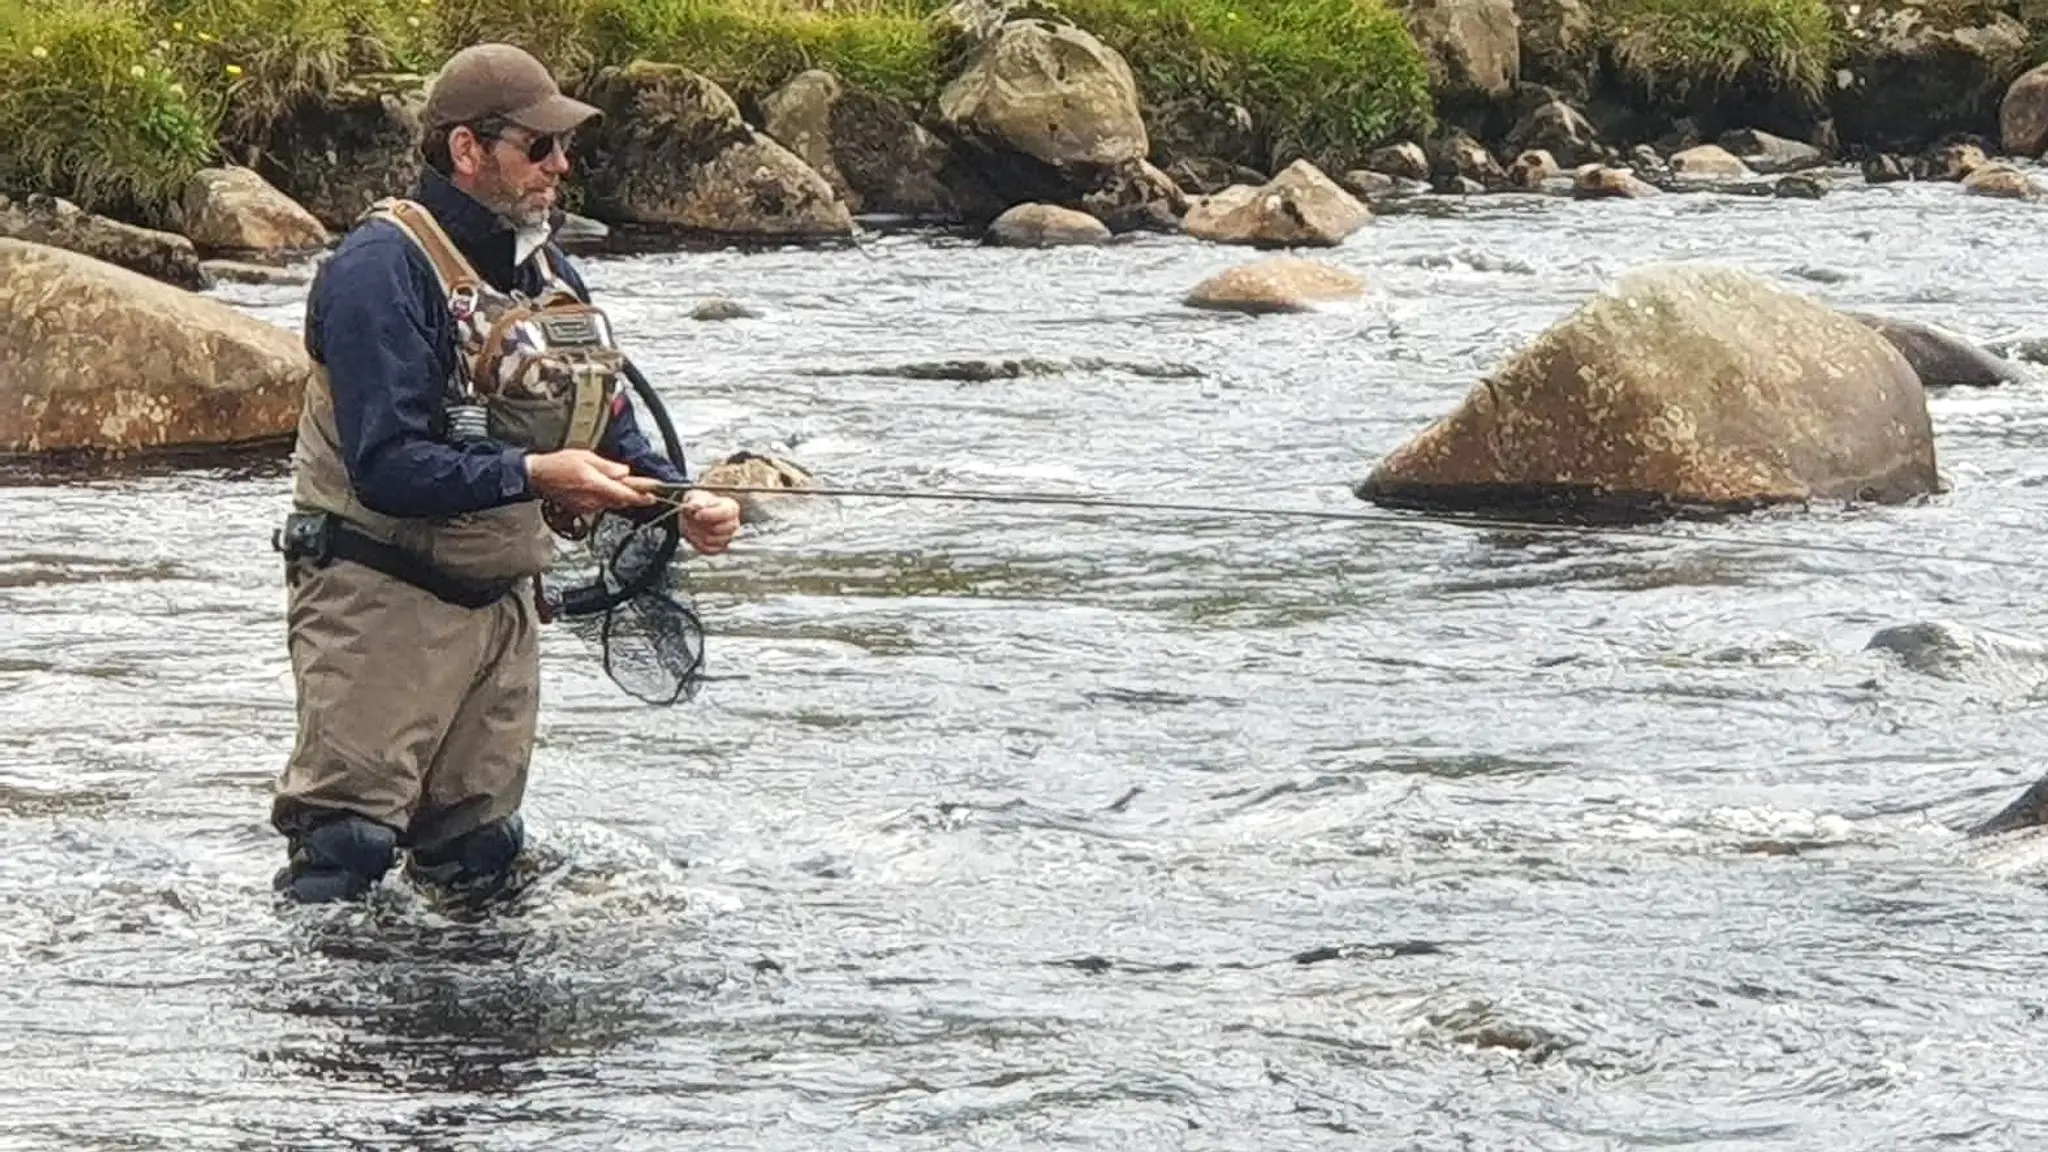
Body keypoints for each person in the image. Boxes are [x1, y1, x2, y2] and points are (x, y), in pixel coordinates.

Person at [270, 42, 742, 904]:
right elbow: (387, 465)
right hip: (377, 600)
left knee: (480, 861)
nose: (561, 166)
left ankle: (479, 1039)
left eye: (563, 149)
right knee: (346, 852)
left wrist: (681, 503)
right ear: (466, 149)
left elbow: (610, 419)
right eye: (540, 146)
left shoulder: (547, 271)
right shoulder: (379, 269)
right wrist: (537, 474)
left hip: (501, 609)